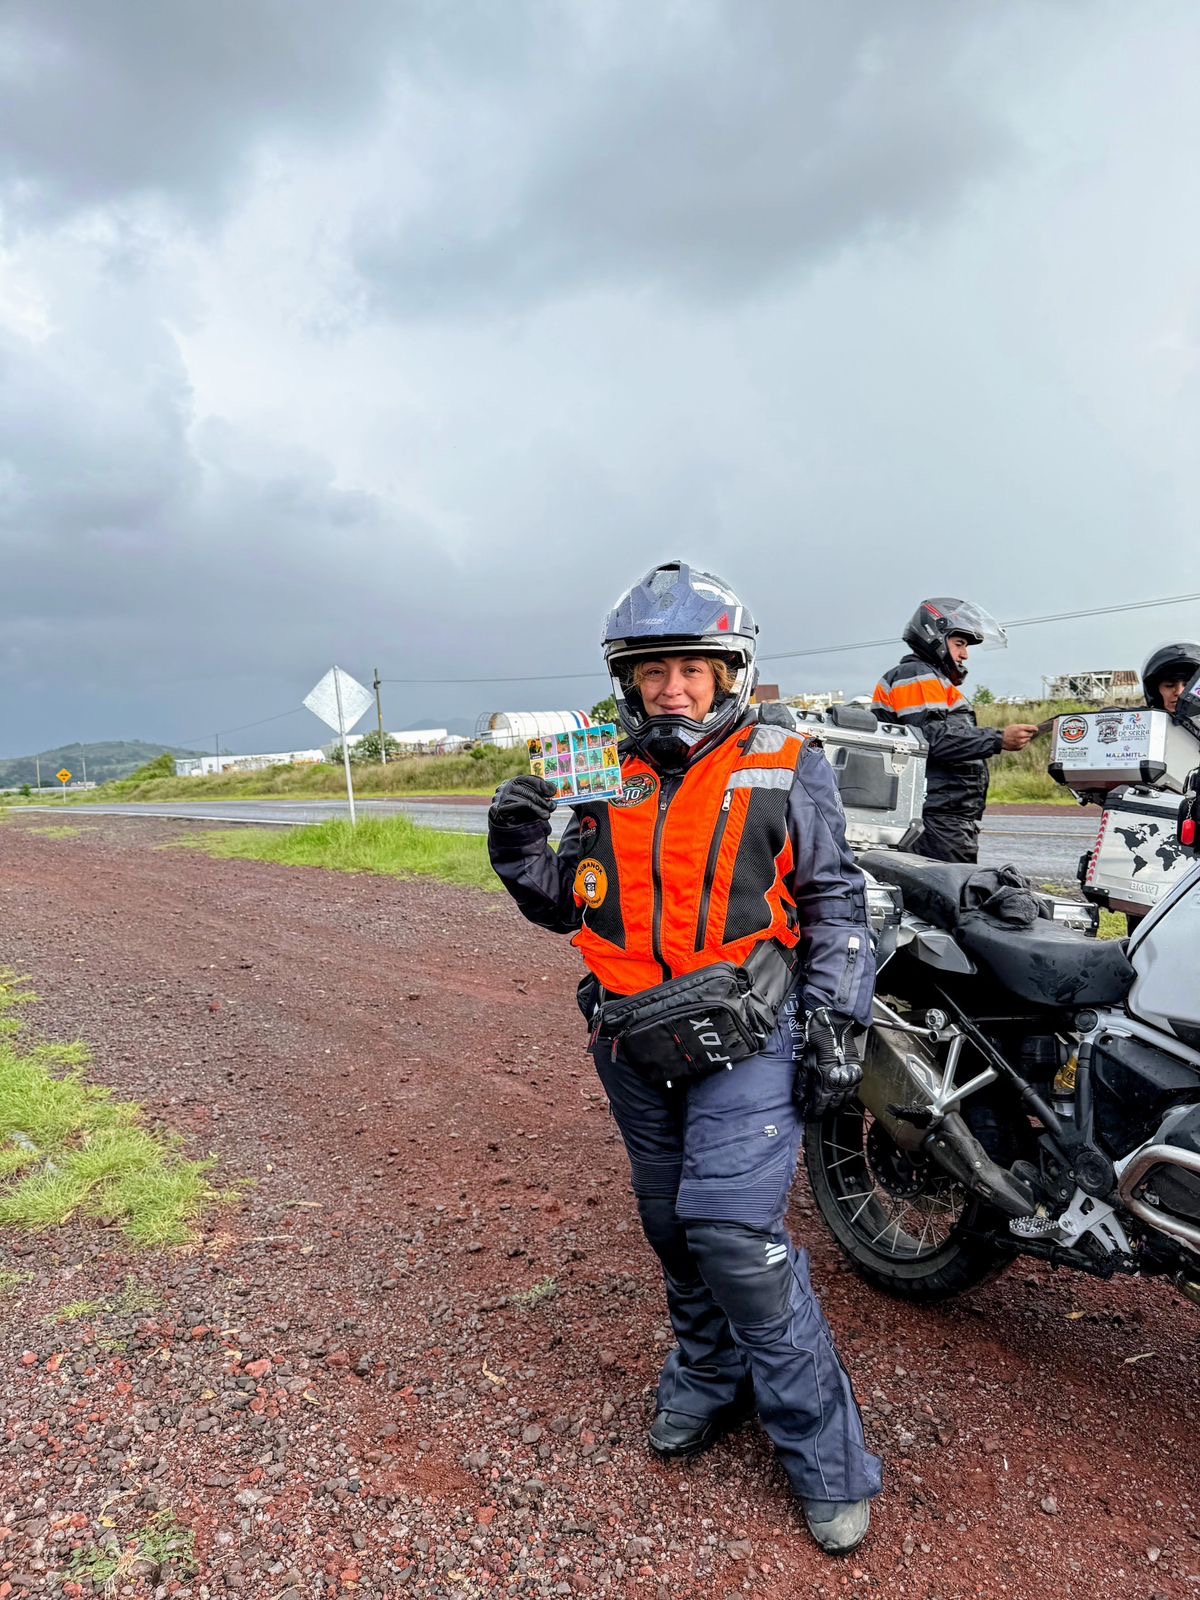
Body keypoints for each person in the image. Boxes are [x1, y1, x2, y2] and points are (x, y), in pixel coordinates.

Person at [487, 562, 882, 1558]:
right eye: (656, 667)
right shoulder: (601, 767)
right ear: (630, 677)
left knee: (735, 1238)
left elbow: (836, 901)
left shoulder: (786, 759)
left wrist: (840, 1020)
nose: (674, 686)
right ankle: (709, 1377)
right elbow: (575, 899)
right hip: (630, 1034)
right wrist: (519, 850)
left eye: (694, 668)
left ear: (729, 670)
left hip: (745, 1034)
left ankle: (829, 1461)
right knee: (672, 1224)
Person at [872, 598, 1039, 863]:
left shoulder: (932, 679)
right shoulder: (917, 674)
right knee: (950, 896)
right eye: (959, 644)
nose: (964, 655)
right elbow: (931, 737)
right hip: (936, 817)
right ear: (933, 637)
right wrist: (998, 739)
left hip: (945, 816)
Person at [1142, 641, 1200, 719]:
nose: (1179, 692)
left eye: (1188, 686)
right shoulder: (1142, 724)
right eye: (1169, 685)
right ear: (1154, 691)